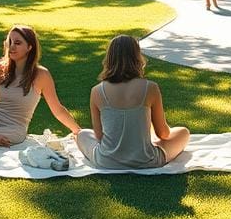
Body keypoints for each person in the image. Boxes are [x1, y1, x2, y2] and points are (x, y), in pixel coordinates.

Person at [77, 35, 190, 169]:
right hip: (146, 160)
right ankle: (142, 143)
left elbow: (99, 136)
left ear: (109, 59)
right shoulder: (150, 87)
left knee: (82, 135)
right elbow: (163, 134)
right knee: (183, 132)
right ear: (137, 57)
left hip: (107, 161)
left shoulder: (97, 91)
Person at [0, 25, 81, 145]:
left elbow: (57, 109)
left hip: (13, 129)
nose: (11, 47)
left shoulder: (41, 75)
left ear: (29, 47)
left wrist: (77, 131)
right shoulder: (1, 68)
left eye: (17, 43)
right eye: (9, 42)